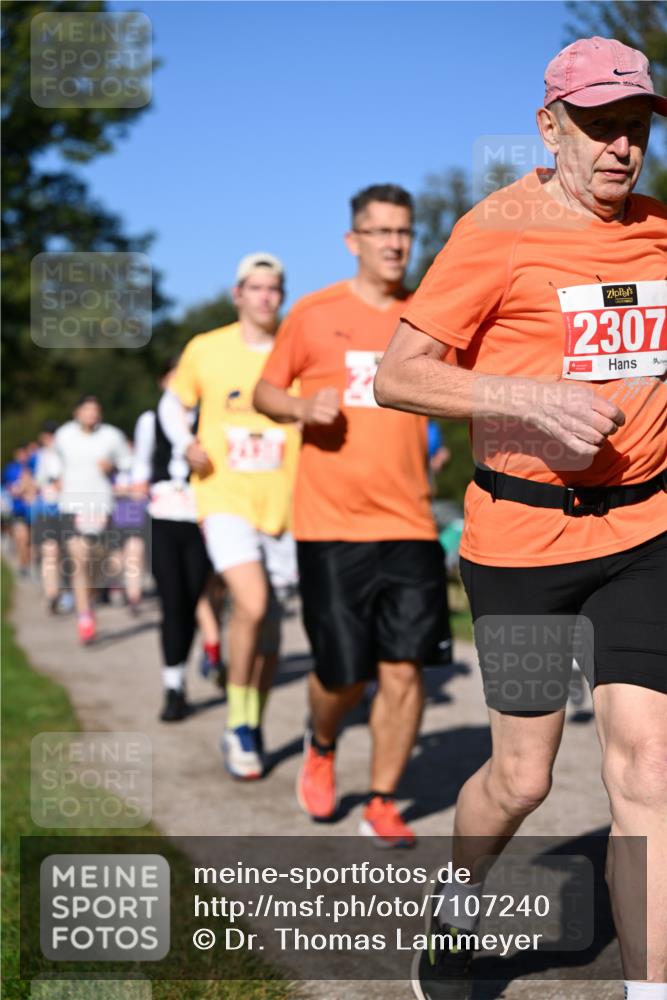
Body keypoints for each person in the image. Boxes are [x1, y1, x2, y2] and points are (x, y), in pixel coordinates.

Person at [374, 37, 667, 1000]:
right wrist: (528, 399)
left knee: (647, 768)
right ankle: (455, 910)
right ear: (550, 128)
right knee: (522, 778)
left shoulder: (661, 233)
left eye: (634, 127)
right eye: (598, 127)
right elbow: (398, 374)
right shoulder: (495, 229)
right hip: (522, 542)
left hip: (642, 535)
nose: (619, 148)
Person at [253, 184, 450, 847]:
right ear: (353, 240)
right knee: (343, 671)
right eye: (381, 232)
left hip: (409, 523)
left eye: (404, 232)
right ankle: (323, 739)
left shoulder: (429, 319)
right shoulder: (312, 314)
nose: (395, 243)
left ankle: (383, 799)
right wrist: (298, 409)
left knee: (404, 666)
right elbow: (264, 390)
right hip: (330, 523)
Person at [158, 253, 298, 776]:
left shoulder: (295, 349)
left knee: (270, 633)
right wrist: (185, 443)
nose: (266, 297)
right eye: (256, 288)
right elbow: (172, 404)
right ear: (237, 294)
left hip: (283, 504)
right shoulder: (207, 347)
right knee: (253, 602)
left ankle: (250, 720)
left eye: (274, 289)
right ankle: (238, 723)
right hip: (222, 496)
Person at [132, 357, 214, 722]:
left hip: (201, 518)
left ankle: (206, 657)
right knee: (172, 602)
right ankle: (173, 685)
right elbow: (140, 467)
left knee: (195, 598)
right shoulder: (152, 419)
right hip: (164, 517)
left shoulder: (211, 417)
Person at [53, 395, 131, 644]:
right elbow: (53, 463)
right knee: (78, 556)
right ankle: (84, 615)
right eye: (87, 410)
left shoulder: (112, 436)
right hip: (71, 503)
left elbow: (128, 462)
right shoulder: (64, 435)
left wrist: (114, 466)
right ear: (77, 412)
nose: (92, 414)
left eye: (96, 410)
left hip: (100, 505)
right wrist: (56, 478)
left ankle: (91, 599)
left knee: (96, 561)